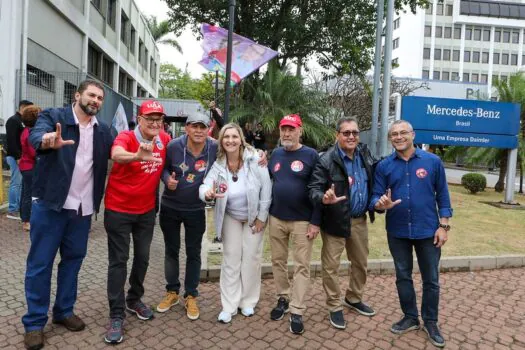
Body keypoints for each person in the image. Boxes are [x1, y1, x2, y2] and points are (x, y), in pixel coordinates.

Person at [22, 80, 113, 350]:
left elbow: (118, 152)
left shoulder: (104, 131)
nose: (95, 100)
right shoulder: (54, 116)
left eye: (100, 97)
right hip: (51, 205)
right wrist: (48, 141)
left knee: (73, 261)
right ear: (77, 95)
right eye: (91, 95)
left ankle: (63, 311)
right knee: (40, 264)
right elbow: (38, 137)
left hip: (82, 210)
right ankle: (34, 323)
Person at [157, 112, 267, 321]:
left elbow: (240, 146)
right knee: (171, 251)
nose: (198, 131)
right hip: (171, 206)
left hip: (196, 209)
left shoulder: (215, 147)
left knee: (194, 253)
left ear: (209, 129)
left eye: (203, 127)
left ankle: (191, 295)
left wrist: (261, 153)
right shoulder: (173, 146)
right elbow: (164, 170)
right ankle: (172, 292)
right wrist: (166, 180)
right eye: (194, 126)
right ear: (187, 128)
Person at [370, 120, 452, 348]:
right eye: (394, 134)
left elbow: (443, 196)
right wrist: (380, 204)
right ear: (390, 138)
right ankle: (410, 317)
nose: (398, 137)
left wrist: (443, 226)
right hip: (397, 231)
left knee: (431, 279)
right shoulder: (384, 166)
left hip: (428, 230)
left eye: (403, 132)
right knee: (402, 276)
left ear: (413, 135)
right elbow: (375, 197)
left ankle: (431, 321)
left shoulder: (433, 162)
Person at [103, 100, 171, 344]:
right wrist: (137, 155)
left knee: (142, 258)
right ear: (139, 119)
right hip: (118, 210)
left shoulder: (164, 138)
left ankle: (134, 299)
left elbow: (187, 150)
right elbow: (116, 154)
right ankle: (116, 313)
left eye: (158, 119)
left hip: (146, 212)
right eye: (149, 118)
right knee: (118, 261)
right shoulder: (126, 137)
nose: (154, 123)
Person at [308, 116, 377, 330]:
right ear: (337, 135)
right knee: (330, 267)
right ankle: (334, 305)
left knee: (360, 263)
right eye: (346, 132)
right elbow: (313, 188)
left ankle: (354, 298)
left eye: (355, 132)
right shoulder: (326, 160)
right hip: (335, 221)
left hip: (359, 221)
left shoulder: (365, 154)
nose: (351, 136)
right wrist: (323, 198)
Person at [199, 123, 271, 323]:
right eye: (226, 137)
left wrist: (261, 217)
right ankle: (229, 306)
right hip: (231, 216)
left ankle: (247, 302)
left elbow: (266, 189)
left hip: (253, 218)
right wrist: (206, 193)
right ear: (221, 141)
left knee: (251, 259)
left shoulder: (255, 159)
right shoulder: (219, 163)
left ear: (241, 139)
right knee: (231, 260)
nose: (230, 140)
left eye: (234, 136)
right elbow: (206, 183)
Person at [267, 114, 321, 334]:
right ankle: (283, 298)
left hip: (302, 221)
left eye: (291, 129)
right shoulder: (276, 154)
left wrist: (315, 221)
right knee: (278, 261)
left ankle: (297, 310)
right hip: (277, 218)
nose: (287, 134)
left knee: (301, 266)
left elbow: (318, 188)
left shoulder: (311, 155)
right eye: (283, 129)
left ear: (300, 130)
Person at [5, 99, 33, 220]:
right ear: (22, 108)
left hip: (21, 156)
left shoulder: (21, 121)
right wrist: (17, 157)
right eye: (28, 109)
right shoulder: (13, 120)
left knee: (20, 183)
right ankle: (12, 210)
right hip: (15, 156)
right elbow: (11, 140)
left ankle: (18, 208)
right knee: (16, 183)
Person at [19, 105, 41, 231]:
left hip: (25, 166)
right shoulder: (31, 133)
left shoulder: (26, 131)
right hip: (30, 166)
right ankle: (27, 221)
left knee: (25, 193)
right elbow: (34, 152)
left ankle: (25, 217)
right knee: (29, 194)